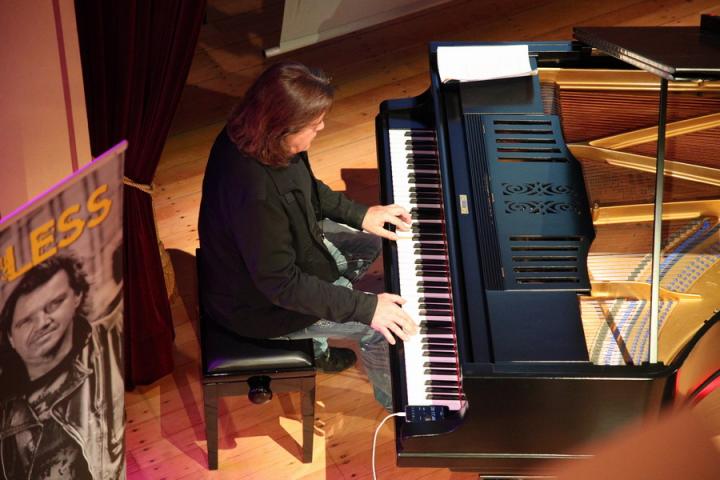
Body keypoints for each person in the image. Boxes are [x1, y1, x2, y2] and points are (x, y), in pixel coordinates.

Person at [198, 61, 418, 410]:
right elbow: (281, 285)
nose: (322, 127)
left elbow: (305, 188)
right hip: (259, 306)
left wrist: (361, 215)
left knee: (375, 242)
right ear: (282, 126)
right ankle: (403, 410)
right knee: (379, 330)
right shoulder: (255, 194)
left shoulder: (260, 139)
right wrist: (366, 308)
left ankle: (319, 346)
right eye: (314, 125)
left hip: (282, 258)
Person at [0, 253, 124, 480]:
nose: (42, 323)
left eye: (54, 304)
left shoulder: (107, 342)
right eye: (26, 321)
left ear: (77, 296)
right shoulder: (6, 405)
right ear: (9, 337)